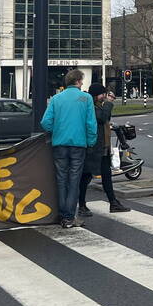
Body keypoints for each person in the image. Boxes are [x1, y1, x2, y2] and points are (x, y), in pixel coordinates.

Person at [41, 70, 98, 229]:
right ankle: (69, 216)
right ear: (79, 81)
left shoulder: (56, 98)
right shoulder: (85, 98)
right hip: (78, 144)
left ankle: (62, 214)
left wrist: (57, 130)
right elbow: (91, 124)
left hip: (59, 144)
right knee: (74, 180)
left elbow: (46, 122)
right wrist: (90, 141)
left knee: (61, 179)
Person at [78, 85, 130, 216]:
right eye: (103, 94)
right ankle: (82, 205)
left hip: (103, 147)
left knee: (106, 176)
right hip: (94, 148)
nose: (105, 97)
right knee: (86, 176)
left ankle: (113, 202)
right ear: (97, 95)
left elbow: (106, 118)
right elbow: (101, 118)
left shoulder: (98, 105)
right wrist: (108, 104)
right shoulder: (91, 106)